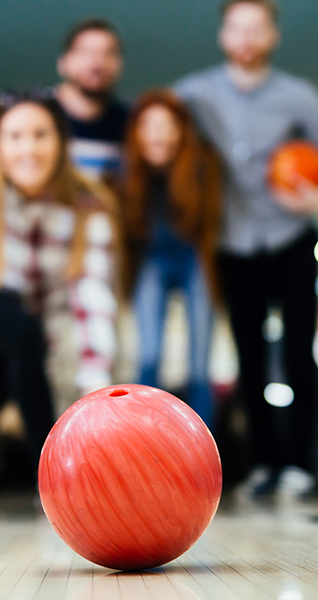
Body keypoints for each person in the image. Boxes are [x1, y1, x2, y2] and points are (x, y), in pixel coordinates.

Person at [173, 0, 318, 497]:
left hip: (291, 237)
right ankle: (263, 466)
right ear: (224, 36)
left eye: (258, 30)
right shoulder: (194, 92)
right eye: (238, 29)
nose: (248, 39)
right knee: (248, 356)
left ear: (272, 36)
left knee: (299, 351)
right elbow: (155, 125)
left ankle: (299, 463)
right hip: (232, 243)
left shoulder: (299, 96)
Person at [0, 89, 119, 502]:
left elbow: (93, 293)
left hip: (31, 310)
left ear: (62, 143)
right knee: (24, 336)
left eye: (40, 134)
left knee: (6, 372)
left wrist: (96, 382)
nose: (28, 148)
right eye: (14, 137)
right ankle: (48, 475)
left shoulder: (90, 205)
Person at [122, 91, 220, 429]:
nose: (158, 134)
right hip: (152, 262)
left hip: (194, 260)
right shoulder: (128, 172)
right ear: (136, 132)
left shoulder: (202, 166)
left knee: (200, 364)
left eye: (167, 125)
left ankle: (203, 452)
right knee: (148, 356)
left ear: (181, 131)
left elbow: (214, 224)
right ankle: (146, 441)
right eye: (148, 125)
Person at [55, 19, 129, 183]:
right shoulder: (37, 115)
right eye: (86, 52)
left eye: (108, 53)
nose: (97, 63)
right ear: (63, 63)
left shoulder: (130, 123)